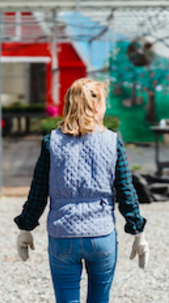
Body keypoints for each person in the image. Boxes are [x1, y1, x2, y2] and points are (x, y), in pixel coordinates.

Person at [14, 78, 149, 303]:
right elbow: (126, 191)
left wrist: (25, 229)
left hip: (62, 235)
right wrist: (138, 233)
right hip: (101, 234)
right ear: (96, 107)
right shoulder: (113, 141)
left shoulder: (51, 142)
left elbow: (38, 193)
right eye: (104, 104)